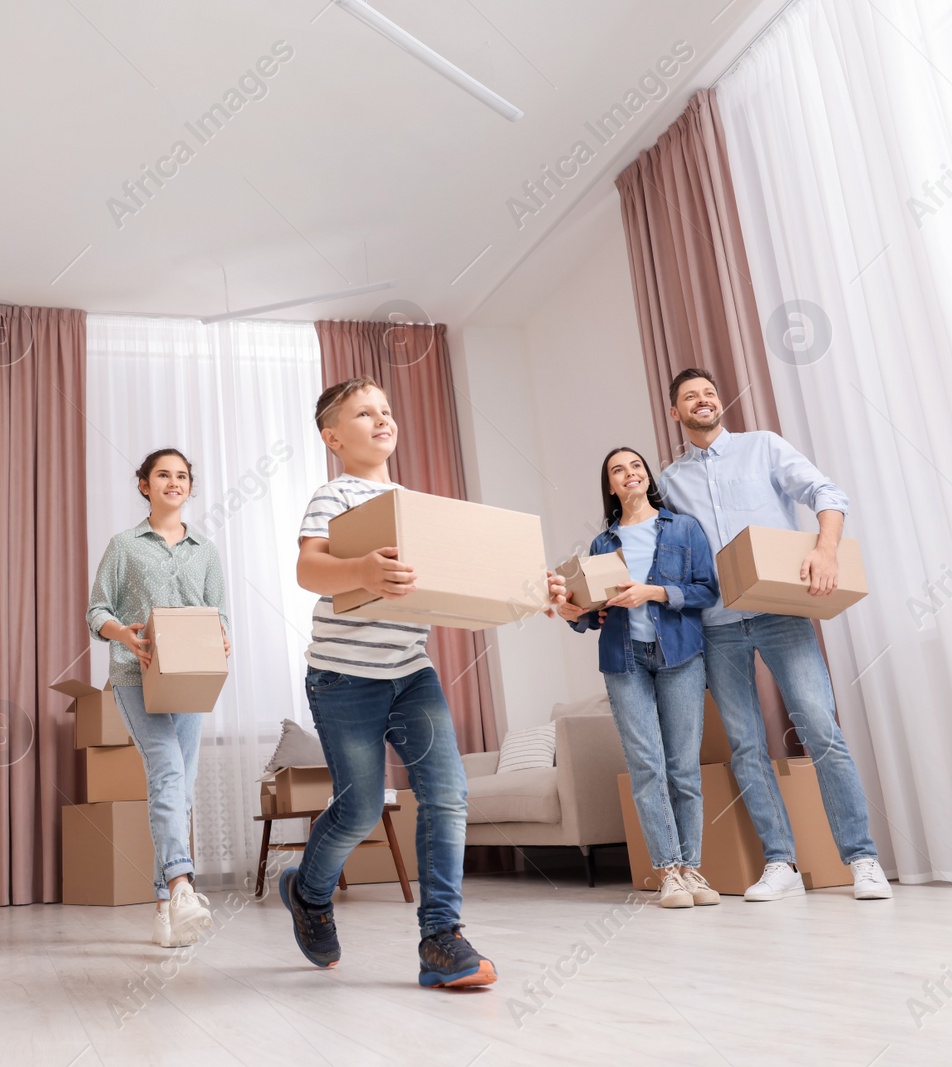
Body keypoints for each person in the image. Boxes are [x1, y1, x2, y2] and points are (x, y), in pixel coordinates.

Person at [280, 376, 496, 989]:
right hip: (344, 677)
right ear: (333, 436)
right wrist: (362, 571)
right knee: (362, 805)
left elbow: (462, 573)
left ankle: (440, 938)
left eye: (386, 410)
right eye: (363, 413)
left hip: (411, 672)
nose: (382, 419)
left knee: (447, 793)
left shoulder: (413, 503)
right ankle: (309, 893)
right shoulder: (334, 495)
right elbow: (308, 568)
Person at [656, 367, 892, 901]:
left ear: (720, 404)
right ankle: (780, 863)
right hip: (715, 625)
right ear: (675, 412)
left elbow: (827, 493)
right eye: (690, 397)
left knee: (819, 728)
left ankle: (862, 859)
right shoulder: (669, 482)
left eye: (709, 394)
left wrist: (824, 550)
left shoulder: (762, 447)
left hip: (781, 614)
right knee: (745, 745)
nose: (703, 401)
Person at [549, 447, 722, 909]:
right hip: (625, 661)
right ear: (610, 486)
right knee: (648, 768)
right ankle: (667, 872)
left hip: (680, 655)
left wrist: (656, 591)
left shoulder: (683, 528)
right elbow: (593, 612)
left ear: (647, 477)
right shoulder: (603, 544)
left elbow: (707, 589)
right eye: (618, 470)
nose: (629, 474)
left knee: (684, 768)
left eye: (636, 467)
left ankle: (692, 869)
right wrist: (571, 612)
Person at [87, 448, 233, 947]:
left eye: (182, 476)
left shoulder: (206, 551)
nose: (174, 482)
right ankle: (181, 887)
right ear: (144, 485)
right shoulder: (124, 546)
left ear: (190, 487)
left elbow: (220, 615)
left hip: (191, 678)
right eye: (163, 475)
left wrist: (224, 637)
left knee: (179, 788)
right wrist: (124, 636)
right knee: (168, 771)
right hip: (135, 675)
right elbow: (96, 610)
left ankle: (162, 907)